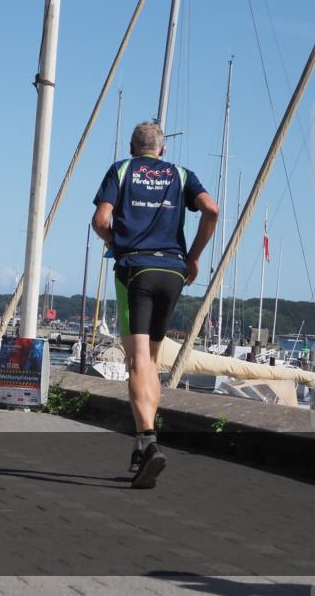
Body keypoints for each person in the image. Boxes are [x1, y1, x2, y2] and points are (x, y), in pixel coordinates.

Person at [91, 121, 218, 489]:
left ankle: (148, 442)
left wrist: (118, 243)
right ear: (161, 149)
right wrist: (192, 258)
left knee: (136, 362)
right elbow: (211, 210)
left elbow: (100, 220)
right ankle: (141, 442)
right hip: (173, 273)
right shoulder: (182, 174)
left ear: (134, 147)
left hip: (137, 271)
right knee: (153, 363)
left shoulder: (122, 169)